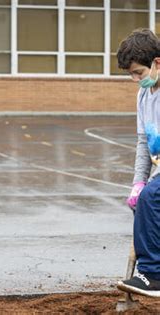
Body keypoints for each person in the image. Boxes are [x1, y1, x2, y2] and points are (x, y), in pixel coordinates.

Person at [116, 29, 160, 297]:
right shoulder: (144, 96)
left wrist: (150, 186)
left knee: (152, 198)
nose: (135, 79)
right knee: (143, 201)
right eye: (130, 74)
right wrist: (137, 183)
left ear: (157, 62)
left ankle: (153, 276)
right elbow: (144, 144)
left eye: (139, 73)